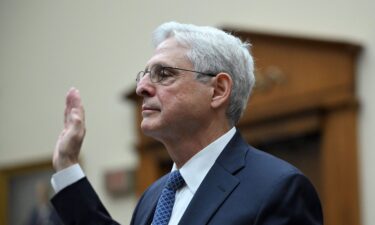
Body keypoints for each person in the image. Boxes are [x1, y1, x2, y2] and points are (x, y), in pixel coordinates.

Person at [50, 21, 323, 225]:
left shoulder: (279, 188)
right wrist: (67, 165)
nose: (142, 87)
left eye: (164, 74)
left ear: (217, 90)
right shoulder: (153, 197)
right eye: (144, 75)